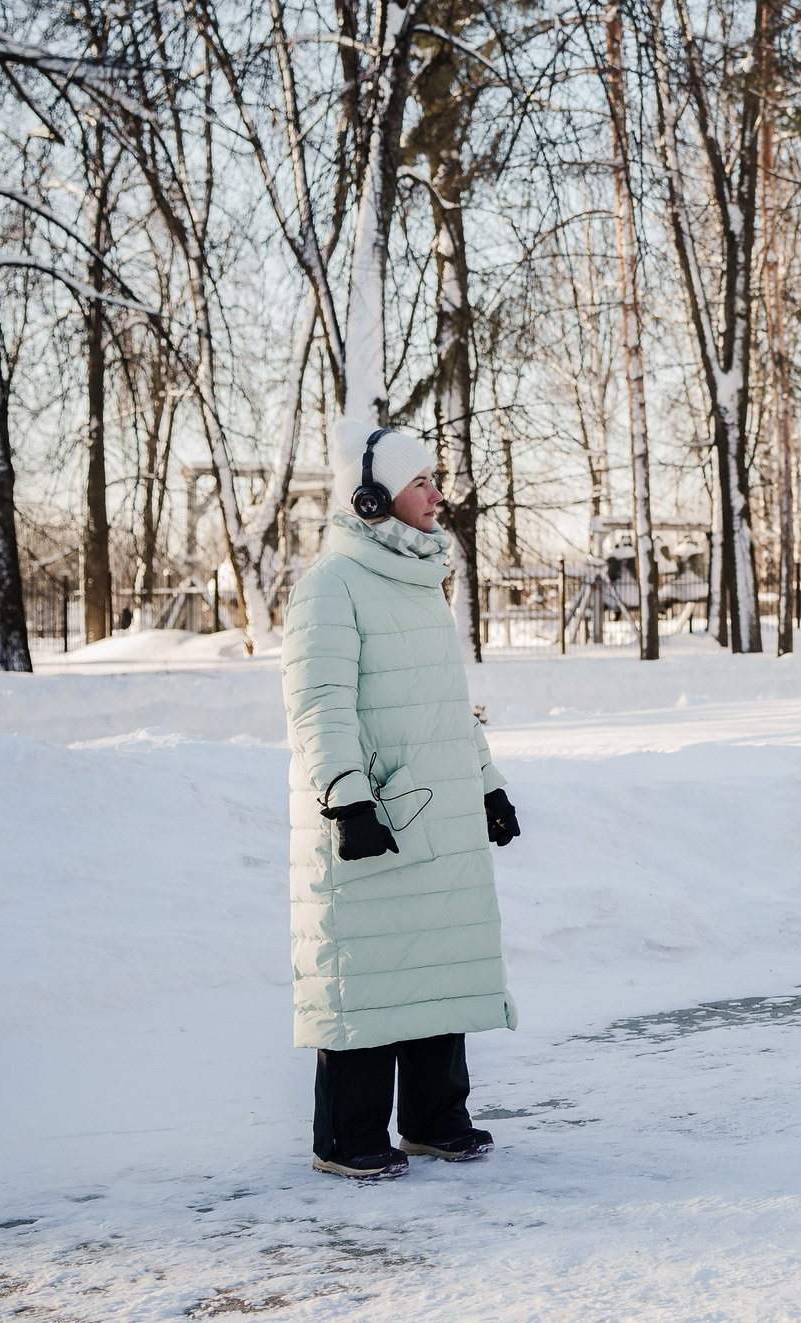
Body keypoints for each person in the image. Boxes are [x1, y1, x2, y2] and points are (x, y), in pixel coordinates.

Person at [286, 422, 522, 1179]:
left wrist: (487, 783)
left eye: (435, 479)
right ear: (375, 498)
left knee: (436, 959)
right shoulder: (331, 583)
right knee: (371, 965)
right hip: (376, 811)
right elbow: (319, 704)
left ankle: (434, 1119)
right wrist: (347, 803)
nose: (437, 494)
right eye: (422, 482)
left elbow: (446, 705)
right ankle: (346, 1135)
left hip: (436, 811)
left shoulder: (422, 583)